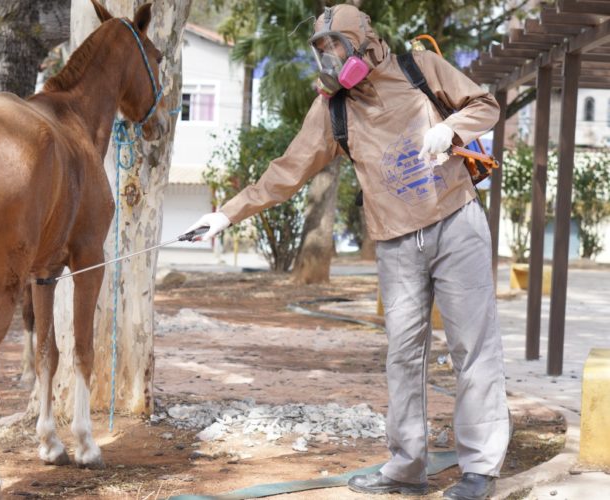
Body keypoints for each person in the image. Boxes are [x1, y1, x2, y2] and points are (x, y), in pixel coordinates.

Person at [186, 5, 510, 500]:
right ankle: (406, 470)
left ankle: (480, 470)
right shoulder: (332, 110)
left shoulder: (417, 67)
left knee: (473, 349)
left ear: (363, 40)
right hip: (397, 242)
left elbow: (485, 103)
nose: (329, 58)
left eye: (335, 44)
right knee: (402, 358)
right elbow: (286, 171)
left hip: (455, 223)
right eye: (320, 49)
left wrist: (453, 128)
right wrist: (226, 214)